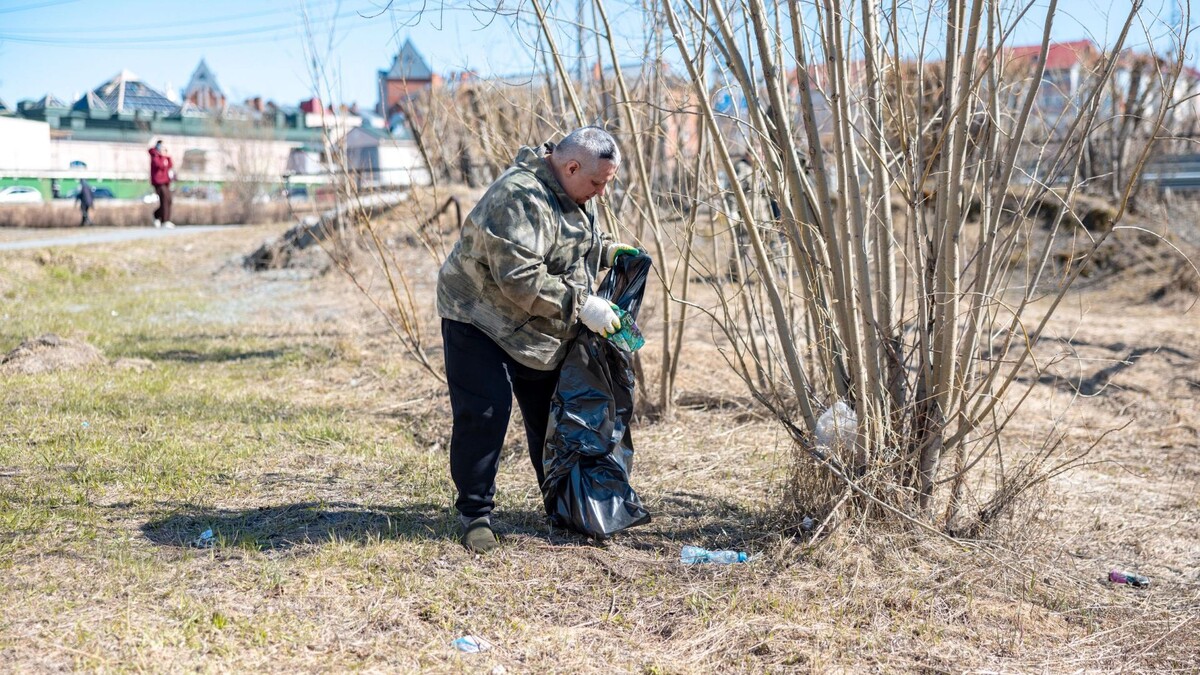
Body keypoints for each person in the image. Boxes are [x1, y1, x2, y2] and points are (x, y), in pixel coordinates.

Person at [437, 126, 640, 553]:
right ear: (570, 167)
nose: (602, 193)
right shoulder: (518, 196)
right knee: (486, 411)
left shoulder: (574, 191)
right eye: (598, 183)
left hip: (535, 322)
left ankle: (561, 504)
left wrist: (606, 252)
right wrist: (583, 305)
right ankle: (475, 516)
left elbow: (569, 242)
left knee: (549, 414)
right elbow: (520, 276)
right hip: (478, 316)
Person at [148, 140, 175, 228]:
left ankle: (157, 215)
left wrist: (168, 156)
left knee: (169, 200)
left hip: (166, 181)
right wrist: (162, 156)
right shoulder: (155, 155)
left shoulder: (165, 157)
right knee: (164, 200)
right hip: (158, 182)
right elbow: (159, 165)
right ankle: (165, 221)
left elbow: (170, 165)